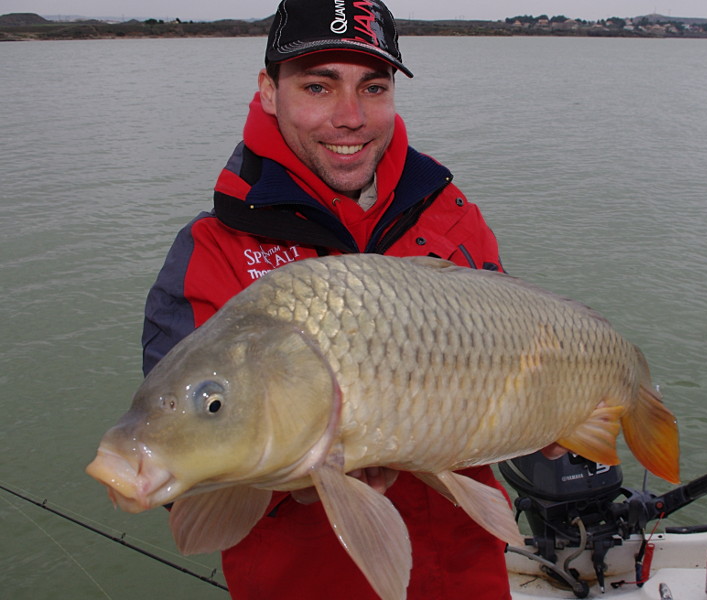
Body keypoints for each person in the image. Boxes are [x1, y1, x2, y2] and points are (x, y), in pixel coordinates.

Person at [142, 0, 521, 597]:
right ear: (269, 91)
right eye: (319, 86)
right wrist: (291, 476)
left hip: (468, 577)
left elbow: (512, 374)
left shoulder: (453, 218)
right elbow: (181, 463)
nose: (350, 117)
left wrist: (559, 419)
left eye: (372, 87)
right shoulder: (211, 252)